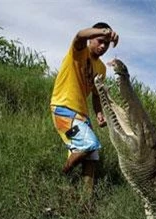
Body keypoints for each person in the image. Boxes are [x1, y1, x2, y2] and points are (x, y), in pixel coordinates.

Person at [50, 22, 119, 196]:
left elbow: (96, 95)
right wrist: (105, 31)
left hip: (82, 113)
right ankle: (61, 176)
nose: (103, 46)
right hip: (64, 107)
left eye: (107, 43)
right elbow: (80, 34)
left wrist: (98, 114)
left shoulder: (101, 68)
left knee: (92, 157)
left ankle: (85, 201)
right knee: (89, 144)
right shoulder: (79, 50)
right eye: (99, 41)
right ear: (91, 39)